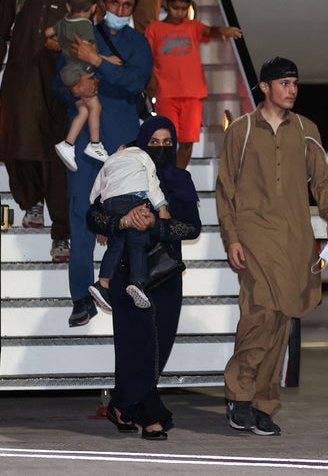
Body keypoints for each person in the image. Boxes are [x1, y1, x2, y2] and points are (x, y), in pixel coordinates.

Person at [215, 56, 328, 436]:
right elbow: (226, 191)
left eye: (294, 83)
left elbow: (322, 181)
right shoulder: (240, 131)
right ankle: (239, 395)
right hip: (254, 238)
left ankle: (262, 403)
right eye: (284, 83)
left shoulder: (306, 130)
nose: (291, 90)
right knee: (259, 315)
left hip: (294, 240)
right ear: (265, 87)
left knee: (281, 321)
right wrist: (232, 238)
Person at [86, 115, 201, 440]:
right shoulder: (125, 171)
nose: (162, 149)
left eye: (168, 143)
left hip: (164, 273)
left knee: (159, 345)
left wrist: (154, 225)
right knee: (135, 343)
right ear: (142, 144)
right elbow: (93, 215)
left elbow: (191, 226)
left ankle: (121, 405)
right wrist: (122, 221)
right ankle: (152, 413)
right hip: (126, 272)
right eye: (154, 143)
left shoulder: (180, 179)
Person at [51, 0, 152, 327]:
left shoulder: (139, 43)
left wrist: (98, 61)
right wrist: (73, 87)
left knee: (126, 221)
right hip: (83, 145)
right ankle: (81, 298)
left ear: (133, 9)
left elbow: (136, 82)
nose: (119, 11)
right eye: (114, 3)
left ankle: (118, 289)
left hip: (124, 143)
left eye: (126, 6)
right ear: (100, 4)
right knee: (80, 217)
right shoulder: (79, 33)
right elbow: (57, 85)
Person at [0, 0, 72, 263]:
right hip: (18, 82)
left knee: (57, 160)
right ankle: (31, 202)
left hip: (60, 87)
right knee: (15, 143)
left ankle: (61, 234)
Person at [144, 0, 242, 169]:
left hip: (193, 94)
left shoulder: (192, 26)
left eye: (183, 8)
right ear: (166, 3)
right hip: (167, 94)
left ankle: (178, 176)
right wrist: (151, 84)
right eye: (175, 8)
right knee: (167, 139)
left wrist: (223, 29)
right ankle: (166, 175)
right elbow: (147, 58)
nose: (180, 13)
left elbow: (209, 30)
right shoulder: (154, 29)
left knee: (188, 140)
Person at [88, 143, 169, 311]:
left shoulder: (109, 160)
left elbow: (96, 189)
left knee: (115, 245)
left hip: (110, 204)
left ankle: (102, 283)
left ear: (121, 147)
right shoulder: (142, 155)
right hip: (134, 199)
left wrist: (101, 224)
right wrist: (161, 206)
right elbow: (152, 181)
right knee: (137, 243)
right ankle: (137, 282)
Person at [47, 0, 114, 171]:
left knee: (83, 111)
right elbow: (89, 52)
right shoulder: (86, 26)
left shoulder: (64, 21)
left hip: (67, 73)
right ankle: (95, 144)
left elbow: (47, 34)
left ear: (68, 6)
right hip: (79, 73)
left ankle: (67, 144)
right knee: (95, 106)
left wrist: (58, 42)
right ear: (94, 8)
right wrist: (106, 59)